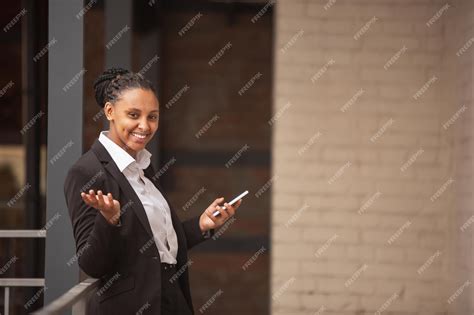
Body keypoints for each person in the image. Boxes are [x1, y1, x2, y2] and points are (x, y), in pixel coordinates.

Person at [63, 68, 242, 314]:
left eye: (153, 117)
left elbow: (154, 244)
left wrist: (202, 224)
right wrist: (109, 219)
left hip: (171, 298)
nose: (144, 126)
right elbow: (91, 264)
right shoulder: (87, 171)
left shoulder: (143, 167)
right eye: (134, 115)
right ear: (109, 111)